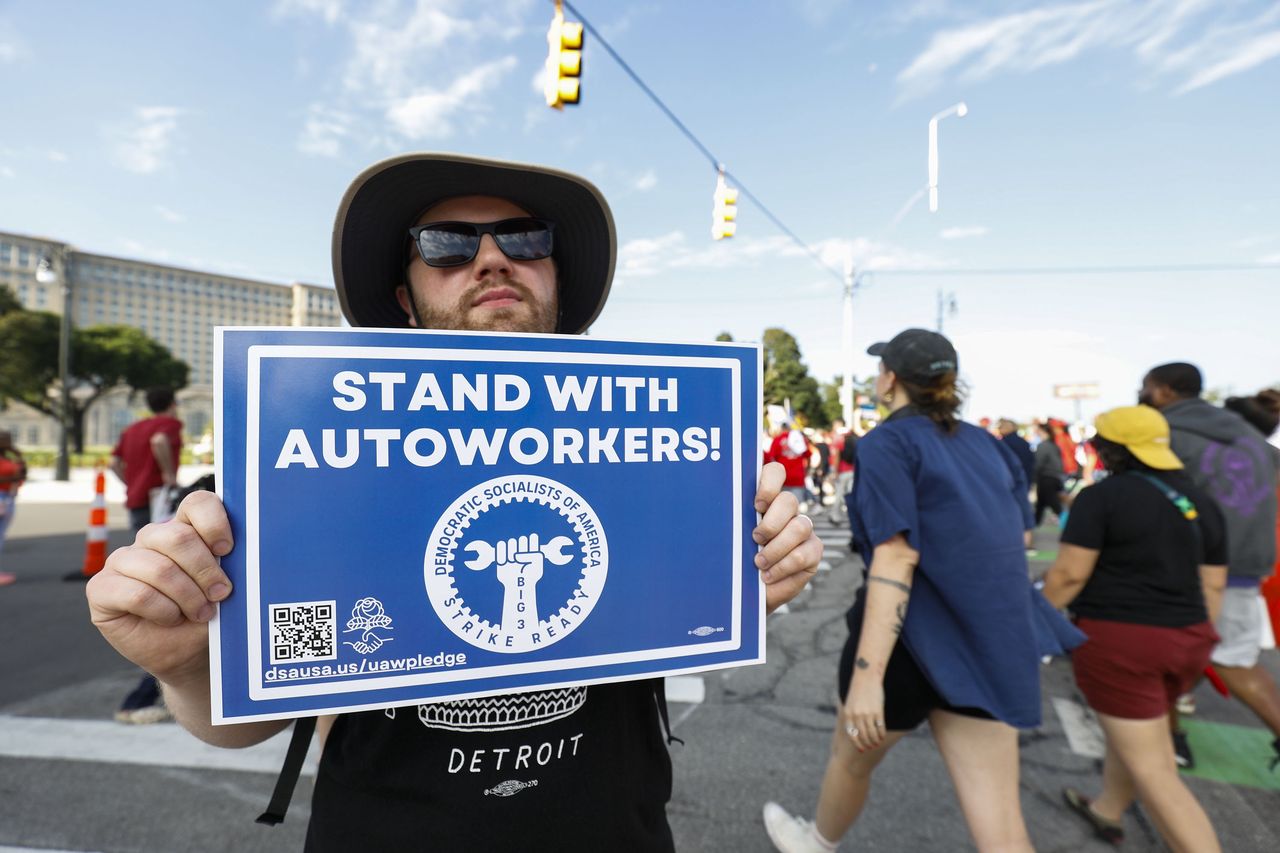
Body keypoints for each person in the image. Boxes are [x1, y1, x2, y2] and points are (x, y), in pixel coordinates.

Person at [84, 152, 823, 851]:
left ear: (557, 278)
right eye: (446, 244)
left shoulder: (653, 444)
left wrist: (742, 587)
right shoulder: (291, 469)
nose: (493, 259)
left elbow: (681, 615)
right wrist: (187, 665)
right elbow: (248, 720)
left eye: (526, 239)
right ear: (405, 297)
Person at [763, 329, 1048, 853]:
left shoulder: (887, 443)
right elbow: (1020, 535)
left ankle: (815, 842)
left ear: (890, 379)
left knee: (850, 761)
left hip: (907, 643)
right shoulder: (987, 443)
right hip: (988, 637)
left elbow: (895, 554)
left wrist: (869, 678)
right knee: (1002, 829)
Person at [1042, 405, 1226, 850]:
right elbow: (1213, 585)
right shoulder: (1202, 500)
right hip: (1189, 638)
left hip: (1122, 643)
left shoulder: (1102, 497)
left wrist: (1032, 624)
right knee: (1140, 731)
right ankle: (1107, 808)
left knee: (1157, 772)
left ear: (1108, 449)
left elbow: (1068, 575)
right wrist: (1194, 641)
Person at [1142, 363, 1280, 770]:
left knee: (1165, 661)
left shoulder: (1167, 432)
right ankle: (1169, 740)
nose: (1143, 394)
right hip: (1245, 563)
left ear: (1165, 391)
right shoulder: (1249, 436)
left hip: (1190, 563)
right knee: (1232, 657)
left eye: (1147, 388)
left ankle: (1171, 743)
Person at [108, 386, 183, 724]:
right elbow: (159, 444)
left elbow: (114, 462)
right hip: (160, 502)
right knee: (170, 587)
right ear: (171, 403)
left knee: (150, 579)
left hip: (138, 503)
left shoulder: (132, 428)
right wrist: (168, 476)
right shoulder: (166, 426)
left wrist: (130, 482)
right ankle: (141, 697)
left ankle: (145, 695)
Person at [767, 419, 812, 513]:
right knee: (796, 506)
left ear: (782, 429)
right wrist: (807, 470)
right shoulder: (799, 439)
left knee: (782, 507)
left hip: (782, 477)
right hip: (798, 476)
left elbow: (771, 458)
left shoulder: (777, 440)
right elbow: (808, 455)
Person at [0, 430, 27, 587]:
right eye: (4, 439)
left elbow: (22, 471)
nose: (7, 441)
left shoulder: (8, 458)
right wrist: (14, 478)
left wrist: (17, 455)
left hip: (8, 497)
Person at [1033, 422, 1065, 527]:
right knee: (1041, 504)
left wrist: (1033, 477)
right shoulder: (1053, 445)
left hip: (1047, 478)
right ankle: (1034, 523)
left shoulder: (1043, 446)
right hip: (1054, 477)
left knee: (1054, 504)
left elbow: (1038, 463)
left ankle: (1068, 522)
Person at [827, 419, 856, 526]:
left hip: (842, 471)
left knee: (839, 494)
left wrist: (834, 471)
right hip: (853, 470)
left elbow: (837, 456)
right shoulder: (853, 436)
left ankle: (835, 516)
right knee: (851, 494)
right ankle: (853, 516)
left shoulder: (838, 438)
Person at [997, 419, 1035, 494]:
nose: (999, 429)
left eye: (1001, 427)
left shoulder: (1004, 443)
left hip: (1010, 481)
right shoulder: (1023, 442)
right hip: (1025, 479)